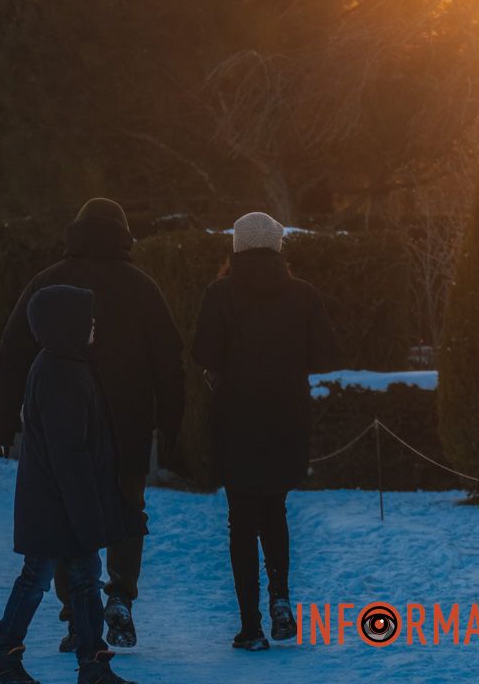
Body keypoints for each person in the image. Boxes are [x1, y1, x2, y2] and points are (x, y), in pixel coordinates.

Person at [0, 198, 185, 650]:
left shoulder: (47, 281)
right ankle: (119, 594)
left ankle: (75, 612)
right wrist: (172, 427)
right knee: (126, 509)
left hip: (64, 421)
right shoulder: (141, 285)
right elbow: (168, 361)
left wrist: (4, 420)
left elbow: (12, 354)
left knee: (66, 513)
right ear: (123, 233)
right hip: (128, 422)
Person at [192, 212, 338, 651]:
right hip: (285, 417)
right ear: (278, 247)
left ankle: (250, 625)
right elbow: (326, 354)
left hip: (236, 417)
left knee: (241, 522)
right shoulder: (303, 295)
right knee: (275, 511)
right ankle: (281, 598)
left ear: (236, 247)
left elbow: (203, 352)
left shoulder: (219, 294)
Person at [0, 285, 143, 684]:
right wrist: (87, 515)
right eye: (86, 318)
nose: (93, 325)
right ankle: (4, 656)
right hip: (56, 504)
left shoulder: (66, 365)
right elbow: (69, 454)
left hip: (57, 502)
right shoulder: (62, 373)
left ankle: (93, 662)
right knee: (38, 577)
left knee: (84, 579)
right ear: (65, 323)